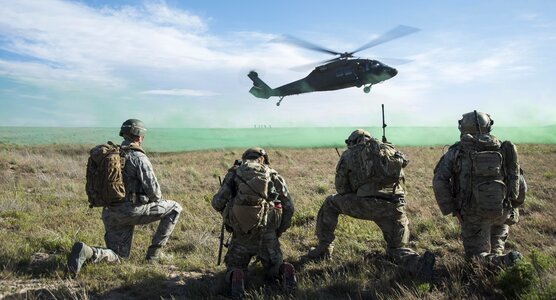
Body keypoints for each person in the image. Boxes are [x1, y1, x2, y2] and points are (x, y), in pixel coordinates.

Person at [306, 129, 435, 280]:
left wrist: (358, 186)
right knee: (397, 248)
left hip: (367, 205)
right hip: (394, 207)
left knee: (330, 203)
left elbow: (341, 189)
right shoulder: (389, 149)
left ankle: (324, 249)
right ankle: (418, 264)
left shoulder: (350, 154)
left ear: (353, 141)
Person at [67, 119, 183, 277]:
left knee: (119, 256)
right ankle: (154, 255)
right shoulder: (139, 157)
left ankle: (87, 252)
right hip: (132, 211)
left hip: (110, 212)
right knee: (175, 207)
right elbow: (155, 194)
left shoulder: (111, 155)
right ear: (139, 136)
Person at [432, 111, 523, 267]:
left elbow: (439, 181)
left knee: (475, 258)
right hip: (502, 210)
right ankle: (499, 265)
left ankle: (504, 261)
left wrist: (453, 210)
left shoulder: (457, 152)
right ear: (488, 126)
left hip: (473, 214)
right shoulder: (504, 148)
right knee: (495, 248)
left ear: (463, 128)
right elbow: (520, 181)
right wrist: (513, 205)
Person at [212, 147, 296, 299]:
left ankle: (237, 275)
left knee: (235, 266)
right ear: (264, 159)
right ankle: (283, 270)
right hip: (268, 232)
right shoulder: (273, 174)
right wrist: (278, 231)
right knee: (273, 268)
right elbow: (289, 206)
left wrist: (231, 216)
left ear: (244, 158)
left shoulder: (234, 173)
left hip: (241, 234)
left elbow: (217, 203)